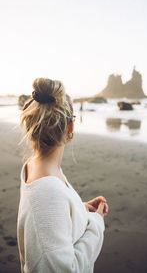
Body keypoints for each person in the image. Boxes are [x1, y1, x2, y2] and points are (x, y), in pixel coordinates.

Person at [17, 77, 109, 273]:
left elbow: (52, 221)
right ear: (70, 128)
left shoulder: (34, 167)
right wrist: (96, 222)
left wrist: (81, 210)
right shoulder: (47, 192)